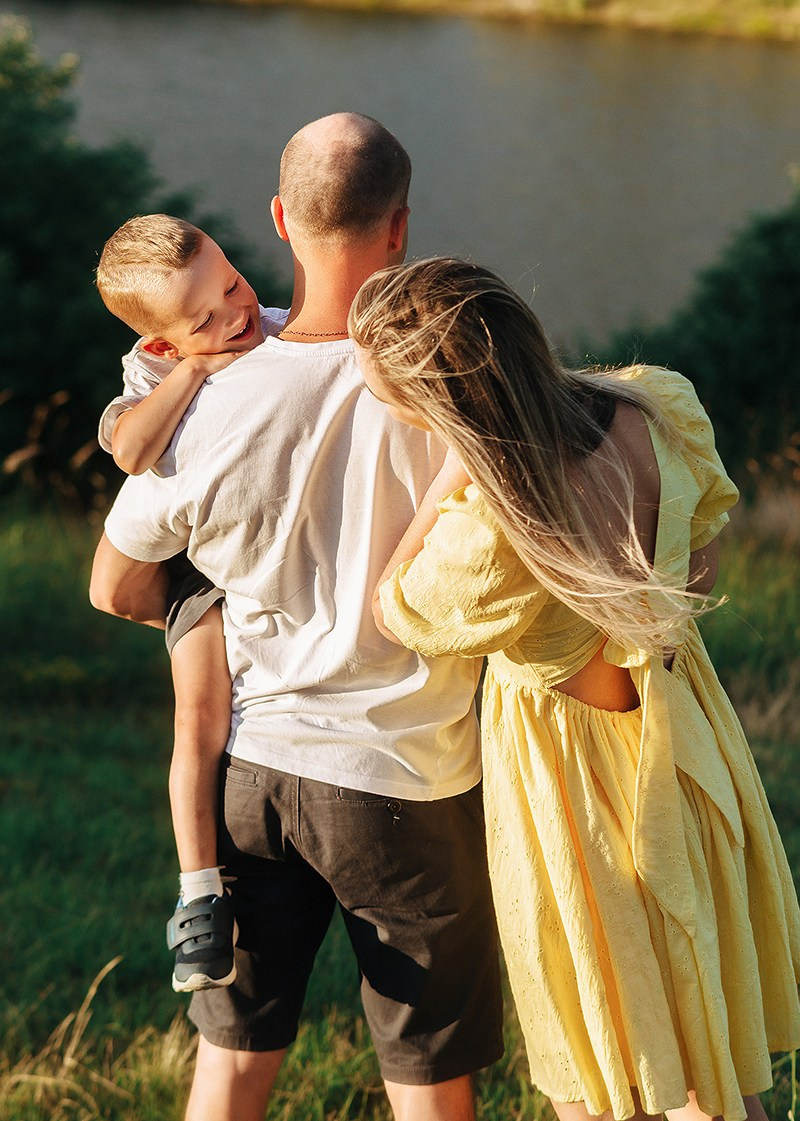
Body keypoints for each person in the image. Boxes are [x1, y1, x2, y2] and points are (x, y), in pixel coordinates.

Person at [89, 116, 503, 1121]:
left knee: (231, 1063)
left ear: (278, 220)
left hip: (253, 775)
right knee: (427, 1082)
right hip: (401, 782)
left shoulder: (204, 405)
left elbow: (115, 586)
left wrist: (217, 609)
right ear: (398, 229)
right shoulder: (450, 382)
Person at [348, 256, 800, 1121]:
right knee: (700, 1008)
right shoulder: (658, 404)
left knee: (608, 1032)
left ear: (446, 408)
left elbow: (398, 607)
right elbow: (700, 566)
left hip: (570, 782)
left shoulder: (494, 529)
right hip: (686, 730)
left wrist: (455, 469)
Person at [94, 214, 287, 993]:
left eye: (235, 285)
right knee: (198, 717)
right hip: (196, 576)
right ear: (163, 342)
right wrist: (193, 370)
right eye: (206, 318)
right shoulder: (154, 372)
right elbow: (133, 451)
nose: (238, 315)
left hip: (262, 557)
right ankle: (200, 894)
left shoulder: (267, 324)